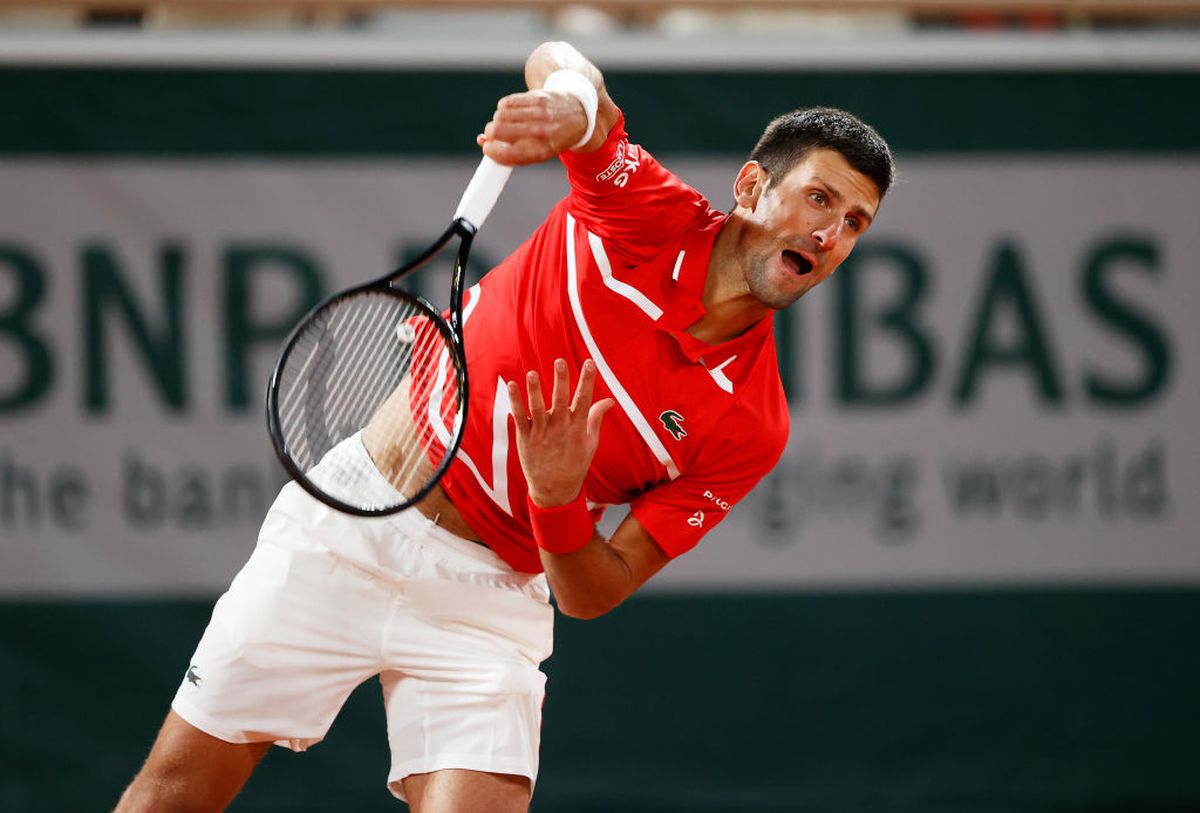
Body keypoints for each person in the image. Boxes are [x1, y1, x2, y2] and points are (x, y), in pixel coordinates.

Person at [115, 40, 894, 813]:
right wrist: (569, 107)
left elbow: (596, 591)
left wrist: (555, 497)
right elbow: (567, 67)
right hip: (347, 527)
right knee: (170, 798)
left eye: (855, 222)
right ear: (753, 184)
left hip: (489, 600)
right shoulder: (643, 210)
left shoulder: (753, 424)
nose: (831, 234)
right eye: (820, 198)